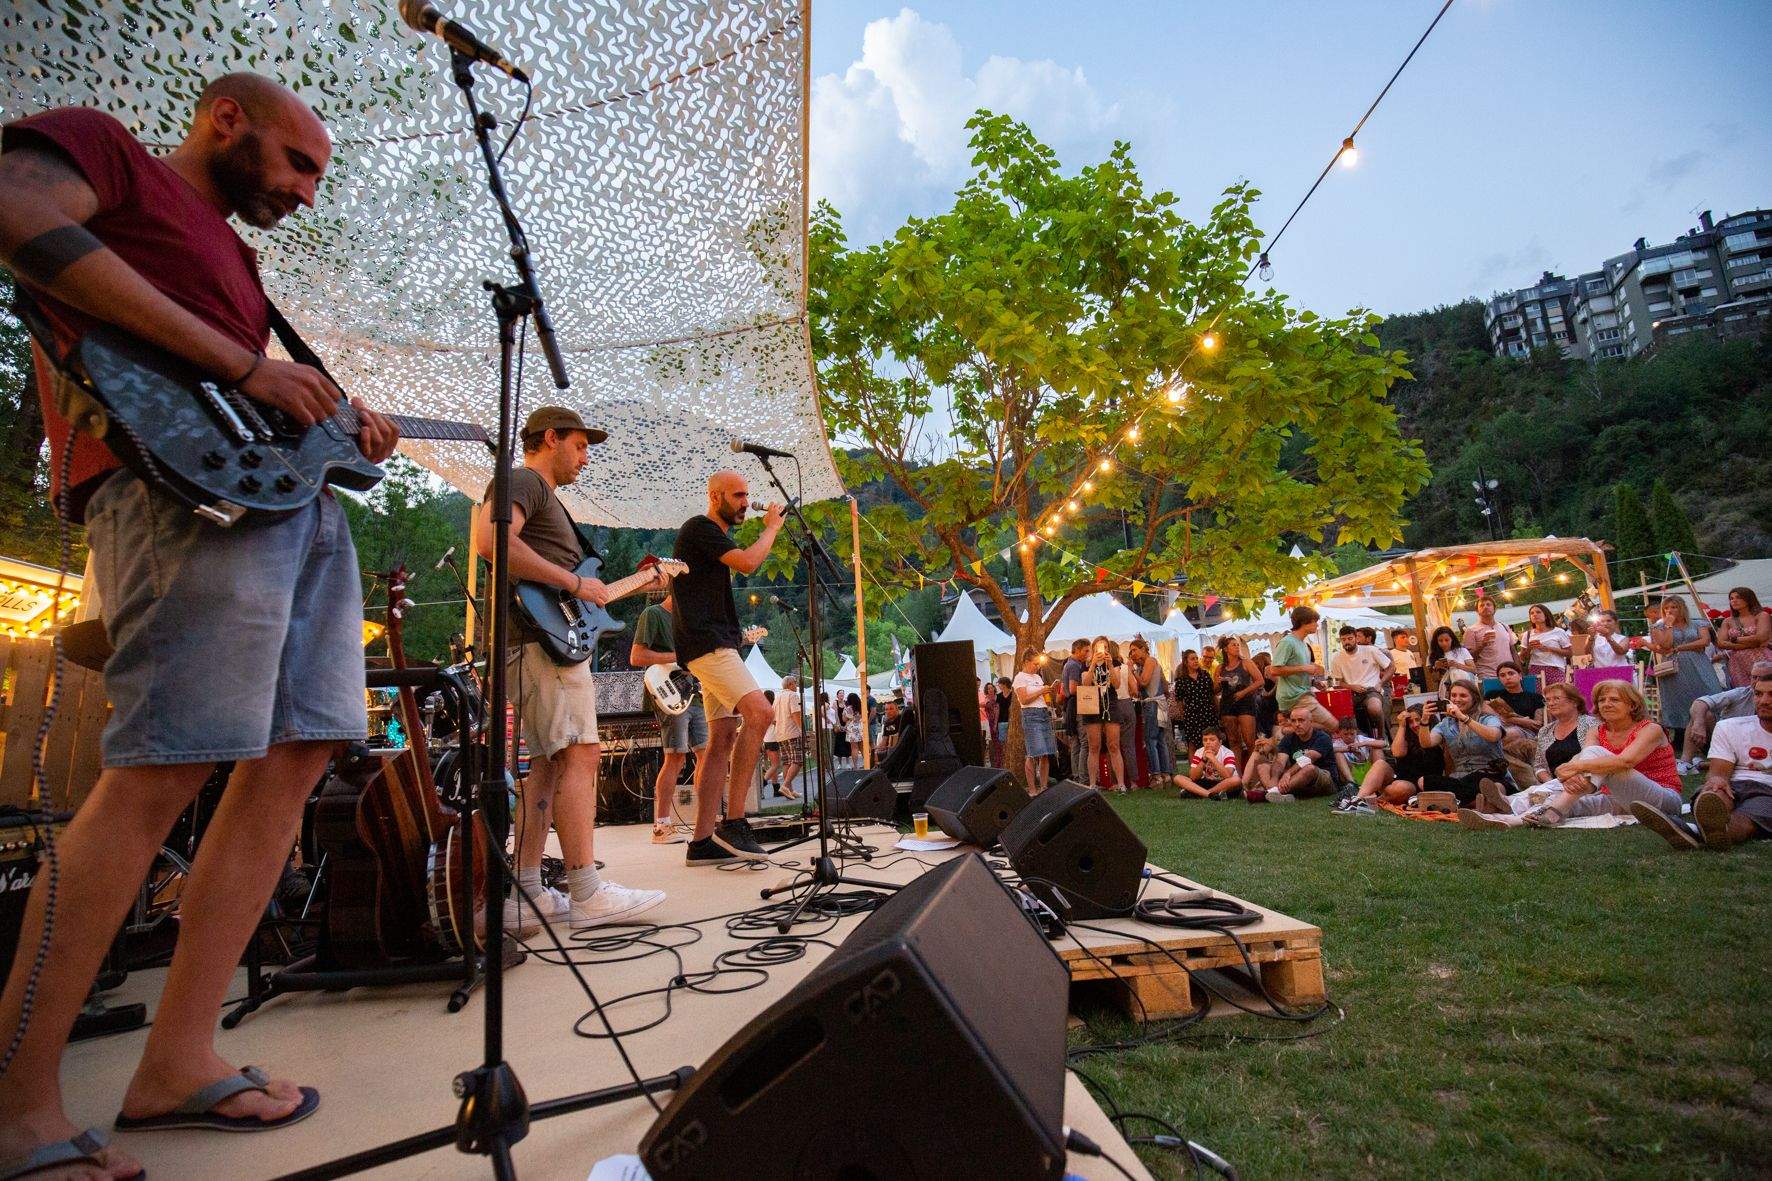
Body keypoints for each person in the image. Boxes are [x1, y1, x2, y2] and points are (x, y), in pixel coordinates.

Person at [0, 76, 402, 1178]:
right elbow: (17, 213)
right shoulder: (106, 151)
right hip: (172, 496)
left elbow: (259, 391)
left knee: (298, 752)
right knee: (162, 769)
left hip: (284, 502)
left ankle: (176, 1061)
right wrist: (246, 364)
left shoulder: (238, 261)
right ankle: (17, 1103)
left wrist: (340, 419)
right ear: (229, 120)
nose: (307, 193)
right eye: (299, 163)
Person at [479, 407, 668, 933]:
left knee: (548, 766)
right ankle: (587, 891)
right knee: (581, 753)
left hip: (541, 642)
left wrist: (618, 585)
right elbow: (492, 542)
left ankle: (526, 892)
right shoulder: (525, 482)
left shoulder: (542, 497)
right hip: (541, 646)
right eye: (580, 446)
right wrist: (573, 582)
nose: (585, 458)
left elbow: (580, 592)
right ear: (550, 438)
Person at [673, 471, 787, 865]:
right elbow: (749, 563)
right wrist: (772, 528)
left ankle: (702, 841)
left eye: (746, 495)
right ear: (715, 495)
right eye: (738, 495)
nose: (744, 502)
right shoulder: (699, 528)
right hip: (708, 644)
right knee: (761, 713)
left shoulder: (710, 537)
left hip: (715, 643)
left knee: (721, 737)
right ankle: (735, 822)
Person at [1460, 680, 1682, 830]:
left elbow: (1625, 761)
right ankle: (1510, 820)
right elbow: (1571, 764)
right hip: (1610, 796)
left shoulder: (1650, 729)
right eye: (1602, 700)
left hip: (1659, 799)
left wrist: (1574, 768)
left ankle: (1535, 808)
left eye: (1614, 700)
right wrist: (1566, 772)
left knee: (1595, 756)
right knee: (1569, 802)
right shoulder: (1598, 731)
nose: (1606, 704)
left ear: (1632, 705)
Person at [1635, 671, 1772, 850]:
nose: (1763, 701)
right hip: (1734, 785)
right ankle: (1706, 821)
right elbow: (1719, 773)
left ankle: (1690, 830)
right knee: (1714, 794)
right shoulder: (1730, 727)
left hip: (1767, 790)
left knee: (1747, 818)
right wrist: (1717, 781)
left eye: (1771, 695)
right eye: (1758, 694)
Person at [629, 585, 709, 842]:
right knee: (675, 757)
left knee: (706, 754)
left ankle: (706, 821)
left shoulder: (690, 622)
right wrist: (677, 656)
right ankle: (661, 826)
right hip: (670, 693)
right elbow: (637, 656)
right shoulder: (653, 614)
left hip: (694, 694)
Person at [1335, 701, 1444, 814]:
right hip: (1400, 778)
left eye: (1418, 720)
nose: (1415, 725)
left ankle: (1373, 802)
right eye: (1410, 722)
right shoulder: (1407, 736)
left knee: (1399, 788)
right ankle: (1358, 800)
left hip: (1418, 785)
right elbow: (1397, 753)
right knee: (1380, 764)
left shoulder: (1436, 735)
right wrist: (1402, 726)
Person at [1414, 682, 1509, 807]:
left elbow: (1493, 736)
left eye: (1463, 696)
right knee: (1423, 781)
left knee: (1492, 785)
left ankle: (1453, 802)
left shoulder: (1487, 719)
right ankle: (1478, 802)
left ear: (1474, 698)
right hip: (1460, 778)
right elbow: (1427, 743)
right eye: (1453, 695)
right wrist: (1424, 720)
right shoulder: (1446, 723)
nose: (1457, 699)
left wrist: (1464, 718)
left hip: (1489, 774)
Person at [1648, 596, 1722, 753]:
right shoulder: (1658, 627)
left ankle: (1713, 734)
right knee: (1680, 699)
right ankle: (1683, 737)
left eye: (1673, 607)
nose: (1670, 610)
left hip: (1699, 664)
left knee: (1709, 691)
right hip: (1675, 668)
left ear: (1681, 608)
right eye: (1666, 608)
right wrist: (1669, 625)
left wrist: (1679, 648)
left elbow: (1705, 641)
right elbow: (1665, 644)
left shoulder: (1697, 623)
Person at [1680, 662, 1772, 769]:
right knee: (1702, 714)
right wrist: (1698, 724)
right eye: (1754, 677)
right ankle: (1685, 763)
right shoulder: (1741, 693)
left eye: (1762, 678)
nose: (1757, 681)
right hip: (1725, 742)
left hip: (1760, 745)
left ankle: (1704, 764)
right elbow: (1700, 702)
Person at [1268, 606, 1338, 731]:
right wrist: (1304, 668)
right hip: (1295, 696)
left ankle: (1289, 730)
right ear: (1304, 622)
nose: (1317, 625)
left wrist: (1313, 682)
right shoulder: (1287, 642)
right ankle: (1285, 730)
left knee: (1309, 730)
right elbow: (1274, 670)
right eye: (1314, 621)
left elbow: (1297, 670)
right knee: (1333, 725)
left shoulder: (1304, 644)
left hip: (1302, 694)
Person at [1258, 704, 1346, 801]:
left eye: (1301, 720)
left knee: (1309, 768)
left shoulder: (1322, 737)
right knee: (1263, 767)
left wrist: (1288, 773)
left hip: (1325, 781)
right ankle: (1274, 792)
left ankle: (1271, 793)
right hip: (1298, 780)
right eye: (1293, 721)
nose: (1297, 724)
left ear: (1311, 722)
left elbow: (1308, 759)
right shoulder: (1288, 738)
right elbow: (1280, 762)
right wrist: (1274, 778)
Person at [1080, 637, 1127, 792]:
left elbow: (1117, 684)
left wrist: (1110, 665)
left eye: (1106, 647)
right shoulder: (1086, 664)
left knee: (1114, 745)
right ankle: (1093, 784)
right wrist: (1093, 664)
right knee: (1094, 746)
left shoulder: (1114, 663)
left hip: (1110, 703)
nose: (1103, 650)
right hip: (1092, 704)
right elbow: (1085, 684)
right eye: (1100, 647)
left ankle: (1121, 784)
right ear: (1094, 649)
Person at [1485, 660, 1544, 781]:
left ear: (1520, 676)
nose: (1507, 677)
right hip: (1497, 727)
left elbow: (1537, 724)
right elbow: (1486, 713)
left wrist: (1508, 718)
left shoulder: (1535, 697)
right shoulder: (1492, 695)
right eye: (1502, 675)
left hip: (1523, 732)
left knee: (1508, 733)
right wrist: (1522, 720)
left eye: (1511, 673)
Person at [1328, 625, 1391, 736]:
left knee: (1375, 708)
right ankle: (1352, 740)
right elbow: (1338, 682)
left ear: (1356, 638)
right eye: (1343, 639)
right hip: (1350, 693)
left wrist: (1381, 683)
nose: (1347, 642)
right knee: (1337, 713)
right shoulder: (1336, 657)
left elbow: (1391, 667)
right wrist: (1352, 687)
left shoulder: (1370, 650)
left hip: (1371, 690)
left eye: (1350, 638)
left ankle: (1381, 737)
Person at [1013, 651, 1058, 794]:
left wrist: (1048, 692)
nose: (1037, 666)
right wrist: (1041, 691)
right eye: (1035, 663)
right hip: (1031, 715)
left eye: (1039, 664)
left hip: (1044, 713)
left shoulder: (1038, 677)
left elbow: (1042, 697)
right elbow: (1024, 699)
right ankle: (1032, 789)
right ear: (1026, 662)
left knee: (1045, 753)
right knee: (1032, 753)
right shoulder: (1020, 678)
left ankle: (1044, 787)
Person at [1214, 637, 1262, 770]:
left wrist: (1244, 692)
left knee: (1249, 741)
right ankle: (1237, 773)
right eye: (1233, 645)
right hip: (1228, 704)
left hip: (1245, 703)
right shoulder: (1220, 667)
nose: (1237, 647)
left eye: (1237, 645)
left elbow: (1260, 680)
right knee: (1233, 741)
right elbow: (1215, 690)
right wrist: (1218, 683)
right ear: (1226, 649)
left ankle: (1253, 772)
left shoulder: (1246, 662)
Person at [1128, 639, 1170, 785]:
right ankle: (1165, 774)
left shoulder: (1150, 661)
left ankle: (1156, 775)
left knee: (1151, 740)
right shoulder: (1147, 664)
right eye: (1131, 651)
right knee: (1160, 739)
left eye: (1134, 650)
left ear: (1143, 649)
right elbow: (1164, 684)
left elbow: (1144, 682)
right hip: (1159, 702)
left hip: (1152, 703)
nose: (1132, 654)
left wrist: (1132, 671)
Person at [1715, 587, 1771, 689]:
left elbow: (1761, 637)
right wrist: (1750, 644)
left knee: (1767, 687)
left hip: (1761, 658)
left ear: (1749, 598)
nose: (1734, 601)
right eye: (1731, 598)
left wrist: (1735, 639)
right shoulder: (1728, 621)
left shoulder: (1761, 615)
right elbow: (1720, 643)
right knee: (1746, 692)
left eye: (1738, 597)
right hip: (1738, 663)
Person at [1170, 649, 1216, 767]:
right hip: (1191, 715)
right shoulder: (1181, 680)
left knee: (1210, 742)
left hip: (1207, 713)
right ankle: (1194, 770)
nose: (1195, 661)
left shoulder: (1205, 675)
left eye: (1196, 658)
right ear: (1186, 662)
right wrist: (1184, 715)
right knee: (1192, 744)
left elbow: (1212, 694)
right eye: (1192, 659)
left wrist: (1216, 710)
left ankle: (1211, 769)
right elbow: (1179, 700)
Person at [1461, 596, 1518, 683]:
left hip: (1509, 674)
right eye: (1482, 605)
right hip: (1487, 676)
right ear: (1477, 611)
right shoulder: (1471, 630)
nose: (1485, 607)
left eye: (1488, 604)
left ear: (1494, 609)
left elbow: (1513, 651)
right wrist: (1482, 645)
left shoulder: (1504, 627)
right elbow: (1469, 658)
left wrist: (1519, 671)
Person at [1173, 729, 1242, 799]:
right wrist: (1203, 760)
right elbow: (1193, 777)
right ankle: (1210, 795)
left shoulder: (1227, 753)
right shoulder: (1199, 752)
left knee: (1236, 780)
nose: (1208, 742)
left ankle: (1198, 793)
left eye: (1212, 740)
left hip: (1223, 783)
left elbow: (1227, 776)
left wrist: (1212, 758)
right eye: (1205, 740)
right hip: (1205, 781)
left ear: (1220, 742)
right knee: (1178, 778)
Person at [1520, 603, 1573, 687]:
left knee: (1558, 693)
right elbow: (1522, 658)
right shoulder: (1527, 634)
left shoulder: (1558, 632)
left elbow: (1569, 653)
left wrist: (1548, 648)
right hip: (1535, 669)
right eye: (1532, 613)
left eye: (1538, 612)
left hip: (1555, 669)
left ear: (1546, 615)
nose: (1535, 615)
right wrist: (1529, 648)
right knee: (1537, 695)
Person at [1058, 638, 1089, 779]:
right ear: (1077, 650)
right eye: (1085, 651)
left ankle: (1077, 776)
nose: (1087, 654)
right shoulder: (1074, 665)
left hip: (1070, 706)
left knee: (1076, 743)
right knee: (1084, 742)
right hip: (1076, 705)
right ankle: (1083, 777)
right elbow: (1072, 689)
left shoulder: (1068, 664)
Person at [771, 676, 805, 801]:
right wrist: (802, 730)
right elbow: (795, 714)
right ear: (790, 684)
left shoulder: (778, 697)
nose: (797, 685)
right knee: (798, 761)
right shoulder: (793, 695)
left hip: (780, 734)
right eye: (795, 683)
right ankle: (785, 786)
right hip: (792, 732)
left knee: (787, 762)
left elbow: (773, 718)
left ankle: (789, 790)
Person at [1427, 625, 1477, 692]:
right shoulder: (1432, 655)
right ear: (1436, 641)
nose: (1444, 643)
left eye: (1447, 640)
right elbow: (1434, 679)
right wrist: (1436, 668)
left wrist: (1456, 665)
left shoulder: (1462, 651)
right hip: (1446, 691)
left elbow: (1474, 670)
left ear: (1452, 639)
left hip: (1465, 688)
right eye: (1440, 641)